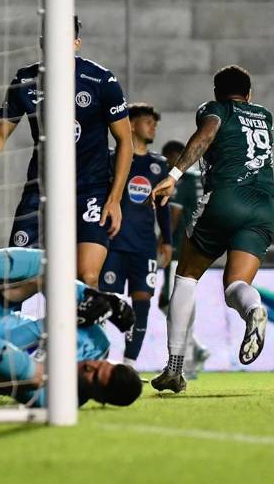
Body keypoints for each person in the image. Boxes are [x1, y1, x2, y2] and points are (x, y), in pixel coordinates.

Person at [0, 16, 133, 288]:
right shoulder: (25, 80)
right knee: (15, 278)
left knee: (86, 276)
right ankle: (21, 325)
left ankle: (83, 328)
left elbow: (125, 140)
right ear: (42, 41)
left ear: (76, 43)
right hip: (40, 191)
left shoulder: (101, 80)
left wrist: (114, 198)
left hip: (91, 191)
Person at [149, 65, 274, 393]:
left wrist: (173, 176)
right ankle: (253, 309)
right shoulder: (264, 115)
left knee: (187, 275)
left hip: (226, 198)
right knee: (237, 284)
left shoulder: (215, 109)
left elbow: (207, 134)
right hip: (265, 206)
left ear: (217, 92)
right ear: (249, 93)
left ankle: (175, 367)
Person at [0, 246, 143, 408]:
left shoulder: (58, 400)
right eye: (101, 364)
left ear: (99, 397)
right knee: (48, 265)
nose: (90, 367)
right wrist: (97, 297)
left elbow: (5, 376)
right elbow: (66, 288)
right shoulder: (97, 342)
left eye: (95, 377)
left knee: (36, 376)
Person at [98, 103, 171, 368]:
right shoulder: (110, 158)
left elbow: (163, 206)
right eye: (147, 121)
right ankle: (99, 359)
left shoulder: (158, 165)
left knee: (143, 301)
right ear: (130, 125)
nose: (153, 126)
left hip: (143, 247)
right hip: (112, 242)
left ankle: (129, 364)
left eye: (155, 122)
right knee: (103, 303)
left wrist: (168, 240)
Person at [158, 139, 210, 378]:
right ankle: (196, 348)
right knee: (171, 300)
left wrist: (163, 241)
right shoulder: (200, 178)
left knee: (174, 301)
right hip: (199, 245)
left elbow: (175, 213)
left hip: (179, 248)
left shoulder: (184, 180)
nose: (167, 165)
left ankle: (187, 359)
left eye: (168, 159)